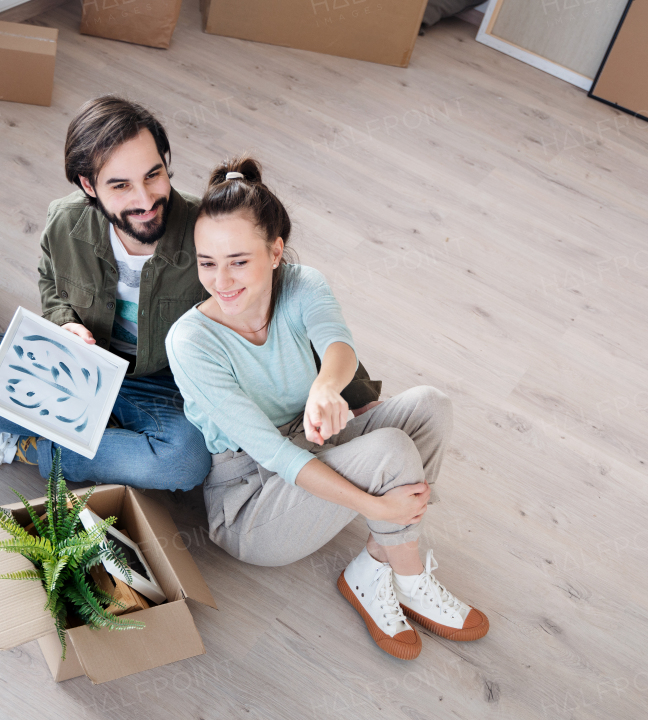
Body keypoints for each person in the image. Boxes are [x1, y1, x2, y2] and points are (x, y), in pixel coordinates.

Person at [0, 96, 381, 491]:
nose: (144, 198)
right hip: (84, 364)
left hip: (166, 384)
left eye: (153, 175)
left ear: (166, 163)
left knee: (184, 462)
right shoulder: (64, 221)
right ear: (89, 186)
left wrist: (350, 388)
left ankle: (22, 446)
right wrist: (65, 323)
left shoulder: (207, 229)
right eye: (120, 186)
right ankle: (107, 435)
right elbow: (50, 280)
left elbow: (284, 294)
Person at [165, 157, 488, 660]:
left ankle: (375, 563)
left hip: (316, 438)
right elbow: (274, 453)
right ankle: (409, 574)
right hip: (253, 501)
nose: (221, 280)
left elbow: (338, 345)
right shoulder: (190, 342)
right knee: (388, 451)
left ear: (275, 252)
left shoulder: (302, 284)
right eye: (207, 262)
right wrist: (377, 507)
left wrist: (325, 388)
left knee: (430, 405)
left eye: (239, 261)